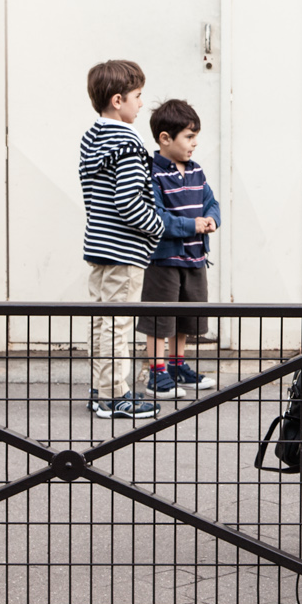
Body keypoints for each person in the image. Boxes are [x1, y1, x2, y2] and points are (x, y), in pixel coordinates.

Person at [79, 59, 166, 420]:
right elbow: (129, 202)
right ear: (118, 100)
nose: (141, 103)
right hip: (124, 248)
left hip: (98, 244)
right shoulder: (128, 141)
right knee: (119, 324)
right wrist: (157, 226)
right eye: (137, 96)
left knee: (100, 321)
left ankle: (101, 390)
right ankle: (116, 396)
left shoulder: (91, 137)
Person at [139, 98, 220, 398]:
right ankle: (156, 373)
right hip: (164, 261)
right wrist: (192, 226)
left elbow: (211, 203)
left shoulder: (196, 172)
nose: (195, 143)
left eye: (196, 136)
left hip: (195, 258)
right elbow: (158, 217)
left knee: (187, 313)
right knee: (161, 317)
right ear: (165, 138)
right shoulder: (153, 174)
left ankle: (176, 365)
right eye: (189, 136)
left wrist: (211, 219)